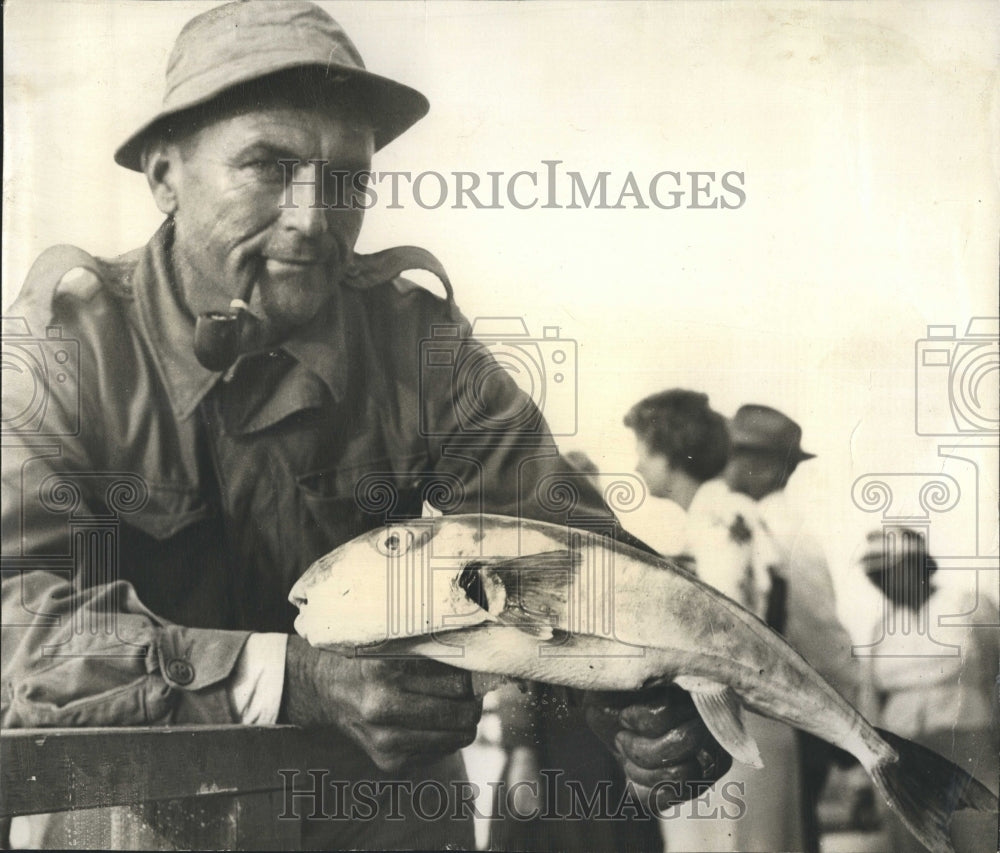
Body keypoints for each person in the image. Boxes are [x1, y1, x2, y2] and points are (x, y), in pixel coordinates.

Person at [0, 2, 729, 849]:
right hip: (139, 817)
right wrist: (289, 677)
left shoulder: (419, 344)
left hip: (385, 820)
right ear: (165, 174)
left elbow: (569, 559)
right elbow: (17, 625)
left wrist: (651, 702)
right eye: (269, 166)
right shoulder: (61, 352)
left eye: (346, 179)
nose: (314, 221)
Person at [625, 390, 808, 852]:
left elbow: (727, 628)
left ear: (670, 455)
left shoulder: (722, 516)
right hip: (728, 723)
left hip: (736, 722)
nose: (637, 466)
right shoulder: (708, 517)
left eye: (642, 451)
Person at [724, 404, 860, 851]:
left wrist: (845, 729)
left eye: (735, 455)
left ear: (764, 468)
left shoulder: (786, 532)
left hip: (792, 724)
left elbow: (823, 640)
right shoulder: (745, 522)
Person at [858, 528, 999, 853]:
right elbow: (870, 702)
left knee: (977, 835)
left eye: (888, 571)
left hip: (968, 748)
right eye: (875, 575)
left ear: (916, 564)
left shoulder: (970, 608)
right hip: (906, 757)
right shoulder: (881, 629)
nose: (881, 582)